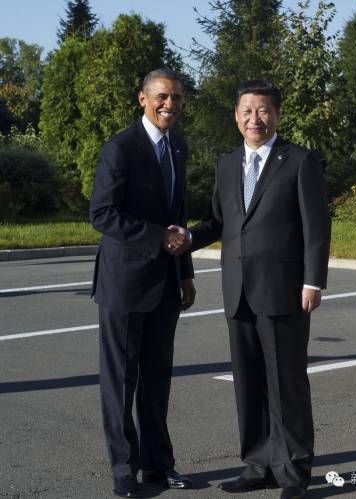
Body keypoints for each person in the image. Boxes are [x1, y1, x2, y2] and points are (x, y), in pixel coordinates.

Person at [168, 79, 331, 499]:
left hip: (284, 291)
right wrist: (189, 238)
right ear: (236, 116)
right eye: (246, 111)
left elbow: (317, 227)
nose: (254, 118)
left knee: (287, 386)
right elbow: (219, 222)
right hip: (238, 290)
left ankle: (293, 473)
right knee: (249, 383)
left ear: (277, 114)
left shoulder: (299, 161)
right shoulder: (227, 164)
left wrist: (313, 281)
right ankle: (259, 465)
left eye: (262, 110)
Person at [89, 68, 195, 498]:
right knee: (121, 382)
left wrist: (185, 273)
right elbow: (102, 214)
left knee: (157, 379)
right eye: (162, 97)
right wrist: (158, 237)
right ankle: (123, 470)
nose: (170, 105)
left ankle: (157, 464)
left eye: (177, 98)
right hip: (124, 285)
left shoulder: (178, 147)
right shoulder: (120, 148)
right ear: (143, 99)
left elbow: (178, 214)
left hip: (165, 282)